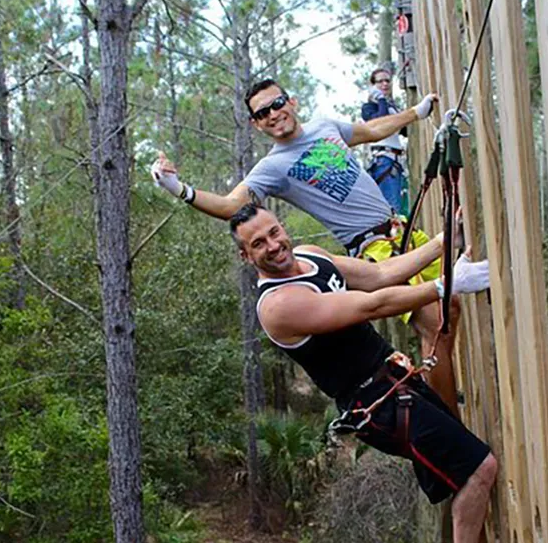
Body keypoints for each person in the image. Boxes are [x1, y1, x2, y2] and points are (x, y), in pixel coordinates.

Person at [151, 79, 463, 412]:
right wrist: (180, 189)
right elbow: (231, 206)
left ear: (291, 102)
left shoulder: (325, 126)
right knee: (435, 323)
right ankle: (450, 423)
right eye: (263, 113)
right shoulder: (273, 167)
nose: (273, 114)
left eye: (277, 103)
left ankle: (440, 395)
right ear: (256, 124)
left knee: (451, 311)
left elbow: (368, 131)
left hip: (402, 230)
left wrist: (415, 113)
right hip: (374, 248)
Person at [229, 203, 497, 543]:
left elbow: (380, 275)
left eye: (273, 232)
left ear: (282, 227)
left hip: (395, 381)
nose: (272, 245)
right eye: (258, 244)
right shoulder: (279, 305)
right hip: (377, 407)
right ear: (245, 256)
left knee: (463, 472)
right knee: (479, 468)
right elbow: (372, 304)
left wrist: (443, 241)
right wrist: (444, 287)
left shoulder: (311, 256)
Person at [361, 67, 408, 216]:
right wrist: (380, 99)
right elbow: (381, 123)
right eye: (380, 81)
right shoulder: (369, 108)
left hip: (396, 160)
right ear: (373, 85)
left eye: (387, 80)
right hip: (384, 160)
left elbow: (403, 131)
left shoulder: (391, 107)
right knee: (392, 208)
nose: (385, 84)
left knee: (398, 208)